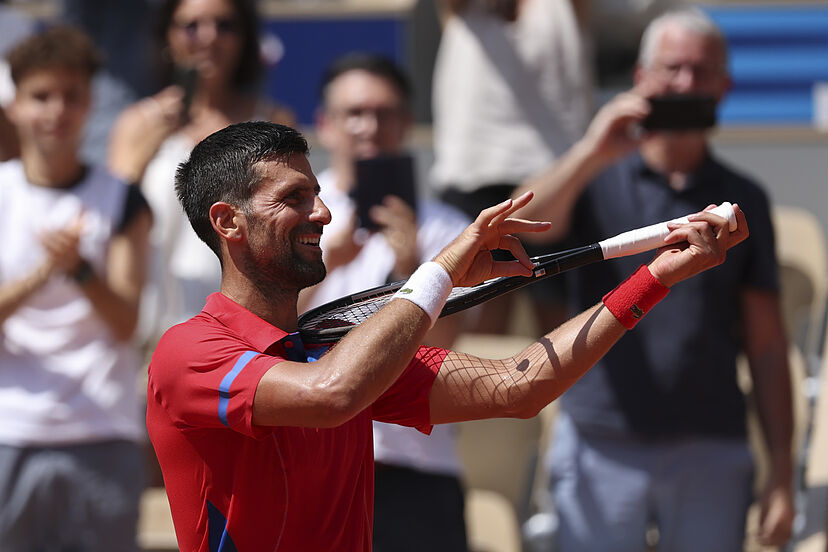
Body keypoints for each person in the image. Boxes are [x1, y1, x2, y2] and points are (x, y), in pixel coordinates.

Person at [145, 119, 747, 550]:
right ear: (228, 222)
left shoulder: (337, 350)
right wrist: (443, 268)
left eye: (318, 194)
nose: (323, 213)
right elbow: (330, 395)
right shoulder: (190, 351)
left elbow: (521, 385)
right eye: (293, 198)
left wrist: (655, 277)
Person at [512, 8, 795, 551]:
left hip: (710, 445)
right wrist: (594, 148)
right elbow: (522, 228)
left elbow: (767, 344)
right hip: (599, 440)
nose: (685, 82)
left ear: (725, 86)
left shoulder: (744, 197)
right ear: (641, 79)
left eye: (701, 70)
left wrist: (781, 471)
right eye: (672, 69)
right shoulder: (594, 177)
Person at [304, 52, 471, 551]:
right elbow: (261, 332)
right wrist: (326, 263)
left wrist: (411, 272)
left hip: (416, 464)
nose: (370, 127)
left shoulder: (447, 228)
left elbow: (443, 348)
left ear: (405, 122)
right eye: (354, 113)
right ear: (326, 125)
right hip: (313, 457)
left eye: (385, 113)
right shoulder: (295, 216)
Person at [0, 26, 152, 551]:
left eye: (71, 96)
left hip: (102, 434)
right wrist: (46, 272)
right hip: (10, 431)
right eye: (41, 96)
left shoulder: (125, 200)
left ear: (89, 104)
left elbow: (128, 322)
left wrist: (81, 272)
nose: (56, 111)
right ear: (15, 104)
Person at [107, 0, 295, 346]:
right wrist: (145, 151)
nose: (208, 38)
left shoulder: (272, 121)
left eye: (224, 25)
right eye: (190, 26)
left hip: (246, 334)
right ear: (167, 36)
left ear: (244, 38)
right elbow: (111, 219)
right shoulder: (137, 123)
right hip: (153, 330)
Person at [430, 0, 594, 334]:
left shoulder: (563, 7)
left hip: (553, 176)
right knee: (474, 314)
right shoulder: (464, 8)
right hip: (472, 173)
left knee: (562, 320)